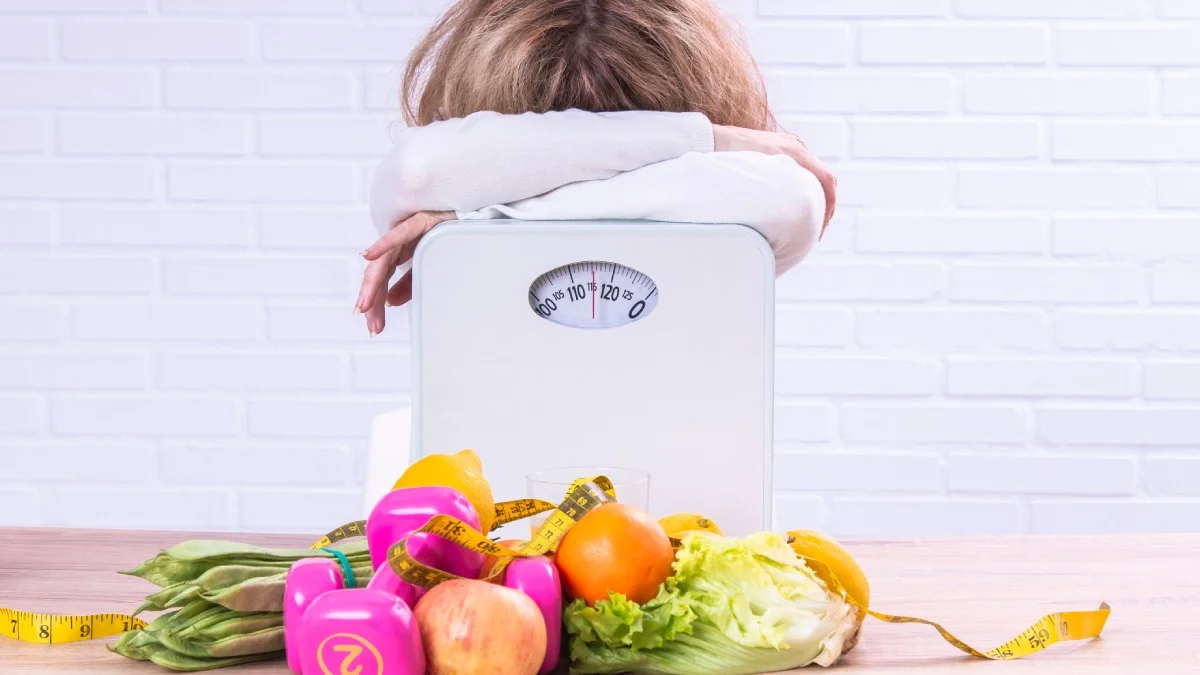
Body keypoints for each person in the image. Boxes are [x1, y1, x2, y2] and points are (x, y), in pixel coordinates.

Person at [355, 0, 838, 337]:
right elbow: (419, 169)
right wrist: (710, 138)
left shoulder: (447, 209)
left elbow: (788, 196)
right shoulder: (720, 183)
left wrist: (477, 220)